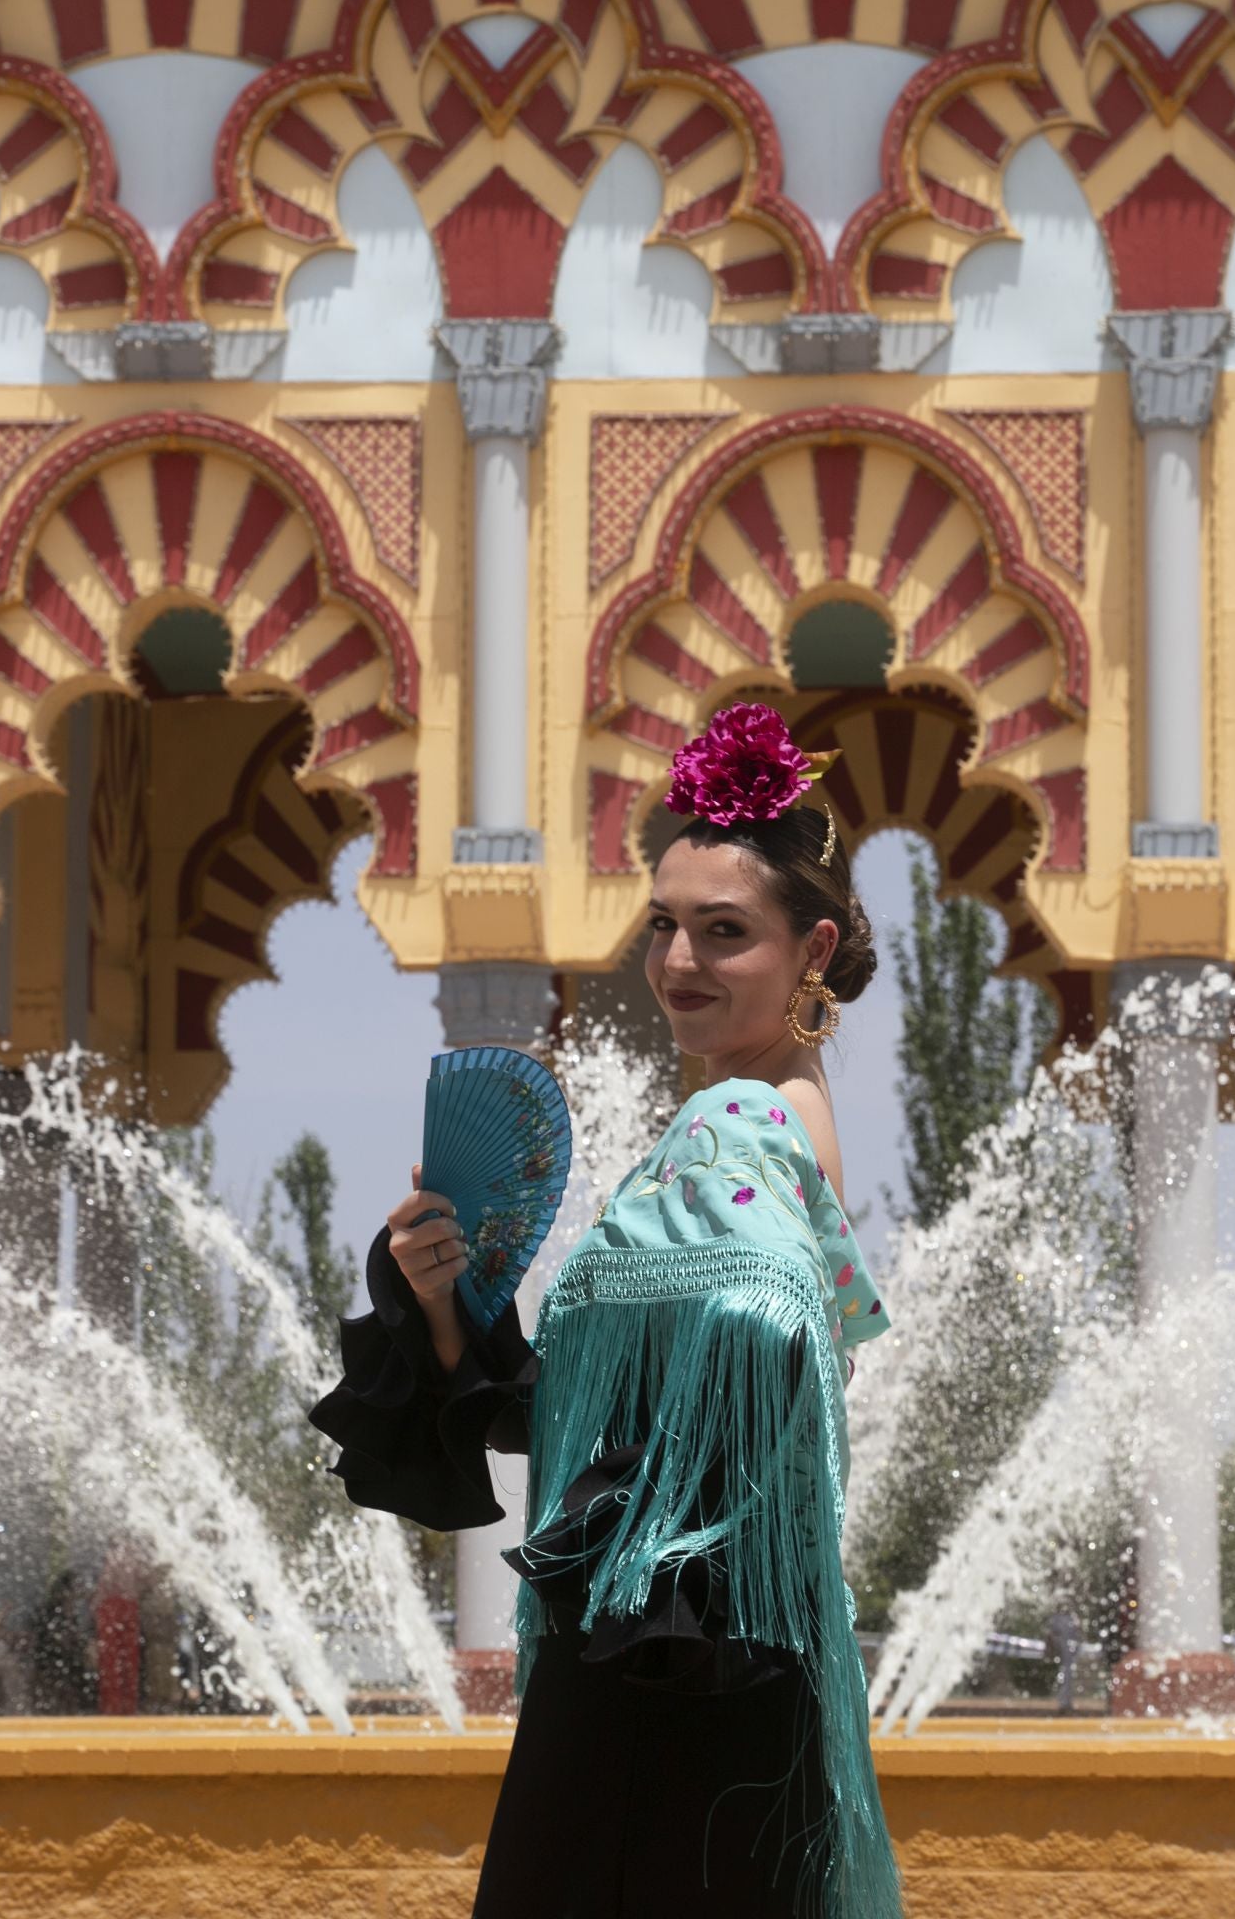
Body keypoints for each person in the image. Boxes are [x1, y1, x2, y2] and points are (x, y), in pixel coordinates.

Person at [310, 703, 902, 1919]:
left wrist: (482, 1330)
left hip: (662, 1672)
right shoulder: (792, 1123)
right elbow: (645, 1403)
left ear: (811, 948)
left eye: (723, 932)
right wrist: (446, 1311)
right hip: (734, 1662)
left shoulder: (728, 1128)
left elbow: (721, 1360)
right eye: (664, 926)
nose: (678, 963)